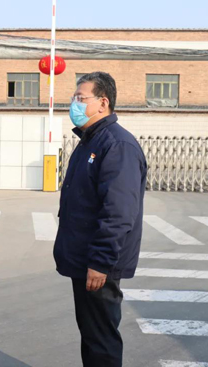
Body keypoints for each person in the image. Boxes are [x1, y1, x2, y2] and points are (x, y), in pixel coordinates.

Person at [53, 72, 147, 367]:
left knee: (101, 338)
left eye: (81, 98)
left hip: (98, 262)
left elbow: (118, 211)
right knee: (92, 334)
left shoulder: (117, 145)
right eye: (74, 98)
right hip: (85, 256)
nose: (74, 104)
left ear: (103, 103)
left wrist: (101, 261)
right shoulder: (90, 141)